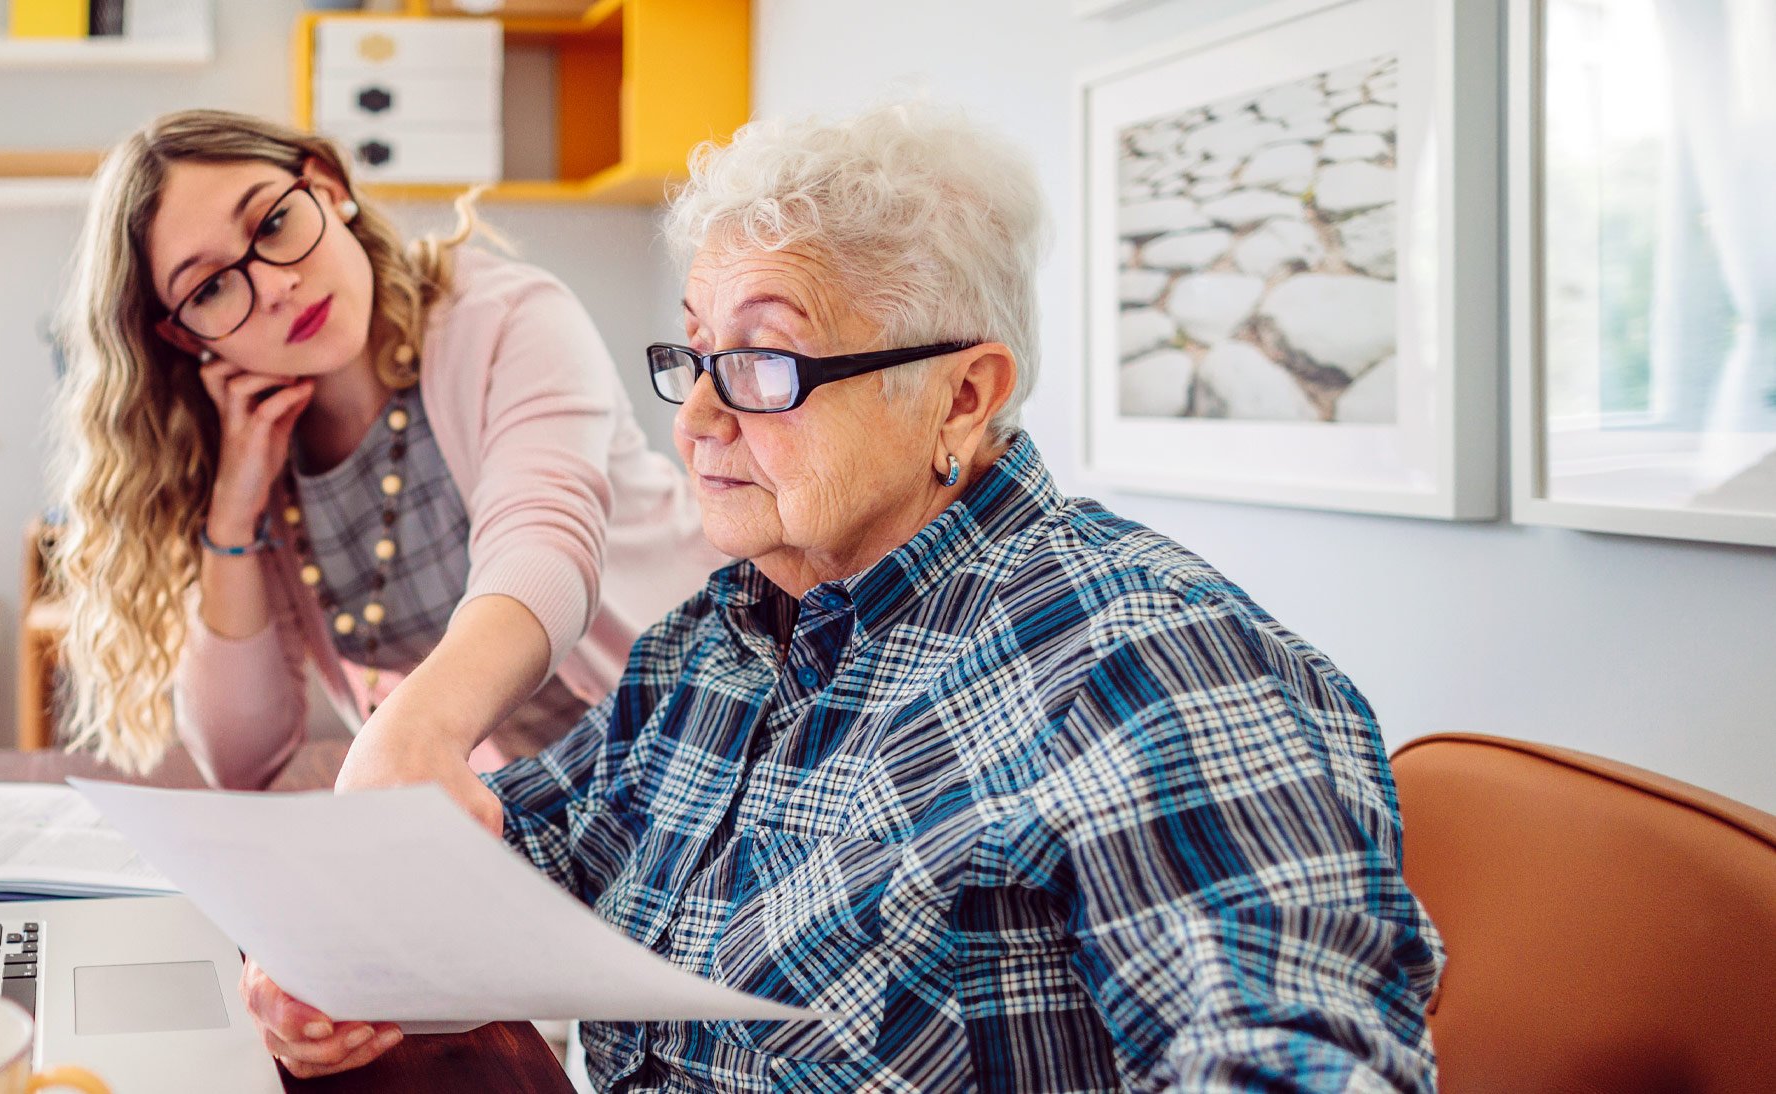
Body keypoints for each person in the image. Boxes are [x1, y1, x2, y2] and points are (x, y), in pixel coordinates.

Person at [242, 101, 1445, 1091]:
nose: (698, 418)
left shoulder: (1153, 661)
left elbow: (1299, 1066)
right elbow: (526, 843)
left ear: (962, 399)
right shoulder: (714, 643)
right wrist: (335, 948)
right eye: (693, 352)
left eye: (764, 362)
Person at [50, 110, 720, 818]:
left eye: (273, 224)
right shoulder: (261, 456)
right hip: (542, 817)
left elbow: (545, 548)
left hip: (706, 731)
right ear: (182, 337)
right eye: (210, 288)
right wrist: (233, 509)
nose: (273, 286)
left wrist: (415, 729)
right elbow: (240, 757)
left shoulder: (508, 317)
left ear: (326, 184)